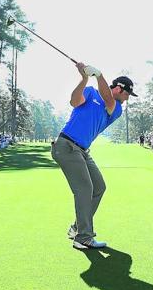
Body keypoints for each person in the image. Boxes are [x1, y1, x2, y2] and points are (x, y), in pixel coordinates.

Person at [51, 62, 135, 250]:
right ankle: (83, 237)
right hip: (66, 145)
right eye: (127, 94)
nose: (127, 98)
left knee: (98, 187)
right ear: (119, 88)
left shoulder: (116, 108)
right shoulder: (90, 92)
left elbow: (109, 101)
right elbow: (74, 102)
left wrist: (99, 75)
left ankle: (77, 227)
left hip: (81, 151)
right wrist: (84, 78)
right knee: (84, 189)